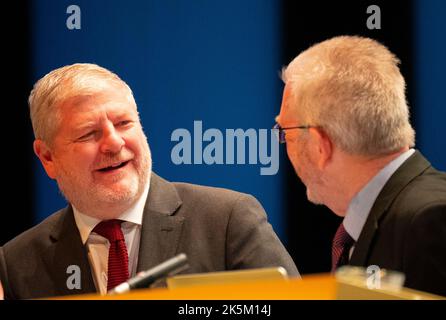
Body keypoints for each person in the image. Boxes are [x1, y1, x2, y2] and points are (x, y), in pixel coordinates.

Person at [0, 63, 298, 299]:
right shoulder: (16, 262)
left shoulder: (226, 220)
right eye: (89, 133)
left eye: (124, 123)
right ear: (47, 157)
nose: (114, 143)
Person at [275, 36, 446, 297]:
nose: (284, 144)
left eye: (284, 132)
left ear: (320, 145)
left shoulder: (428, 221)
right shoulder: (402, 214)